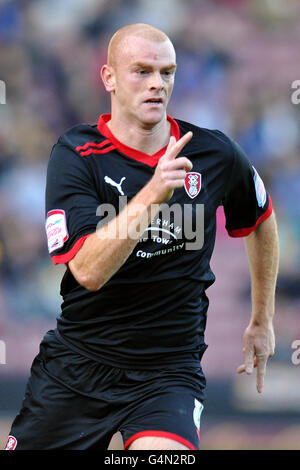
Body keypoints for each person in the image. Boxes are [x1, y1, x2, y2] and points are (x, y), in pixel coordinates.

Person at [5, 23, 279, 451]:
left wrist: (262, 319)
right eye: (142, 71)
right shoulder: (76, 155)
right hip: (78, 367)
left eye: (167, 72)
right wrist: (153, 192)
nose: (157, 84)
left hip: (168, 373)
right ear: (109, 78)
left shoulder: (213, 152)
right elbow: (88, 271)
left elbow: (260, 219)